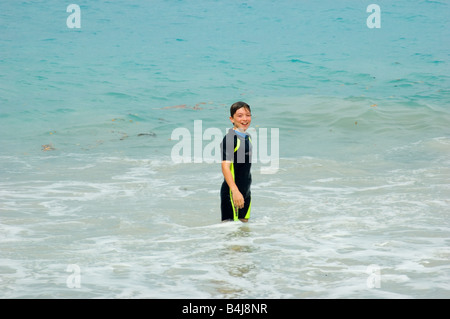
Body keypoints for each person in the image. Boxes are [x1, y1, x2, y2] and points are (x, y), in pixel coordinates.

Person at [220, 101, 253, 222]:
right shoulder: (230, 138)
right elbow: (225, 167)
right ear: (231, 119)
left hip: (246, 191)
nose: (245, 119)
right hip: (232, 193)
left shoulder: (247, 136)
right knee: (230, 232)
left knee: (244, 231)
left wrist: (244, 192)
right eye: (240, 116)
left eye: (248, 115)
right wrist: (235, 191)